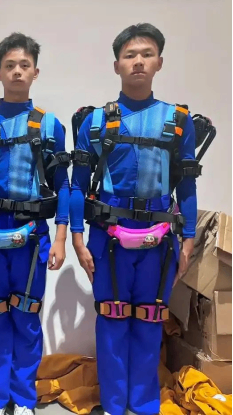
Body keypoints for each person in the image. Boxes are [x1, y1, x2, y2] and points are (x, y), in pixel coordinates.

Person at [69, 23, 198, 415]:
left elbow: (186, 186)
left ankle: (144, 405)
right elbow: (77, 186)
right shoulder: (94, 122)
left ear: (159, 62)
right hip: (107, 238)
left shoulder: (179, 121)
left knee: (149, 320)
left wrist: (189, 240)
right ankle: (113, 405)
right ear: (116, 65)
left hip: (160, 241)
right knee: (111, 319)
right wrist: (76, 237)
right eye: (129, 55)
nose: (138, 61)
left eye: (146, 54)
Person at [0, 33, 70, 415]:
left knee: (26, 316)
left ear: (36, 72)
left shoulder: (51, 126)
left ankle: (23, 400)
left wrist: (61, 238)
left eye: (24, 65)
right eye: (10, 65)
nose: (17, 71)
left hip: (33, 236)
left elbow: (64, 185)